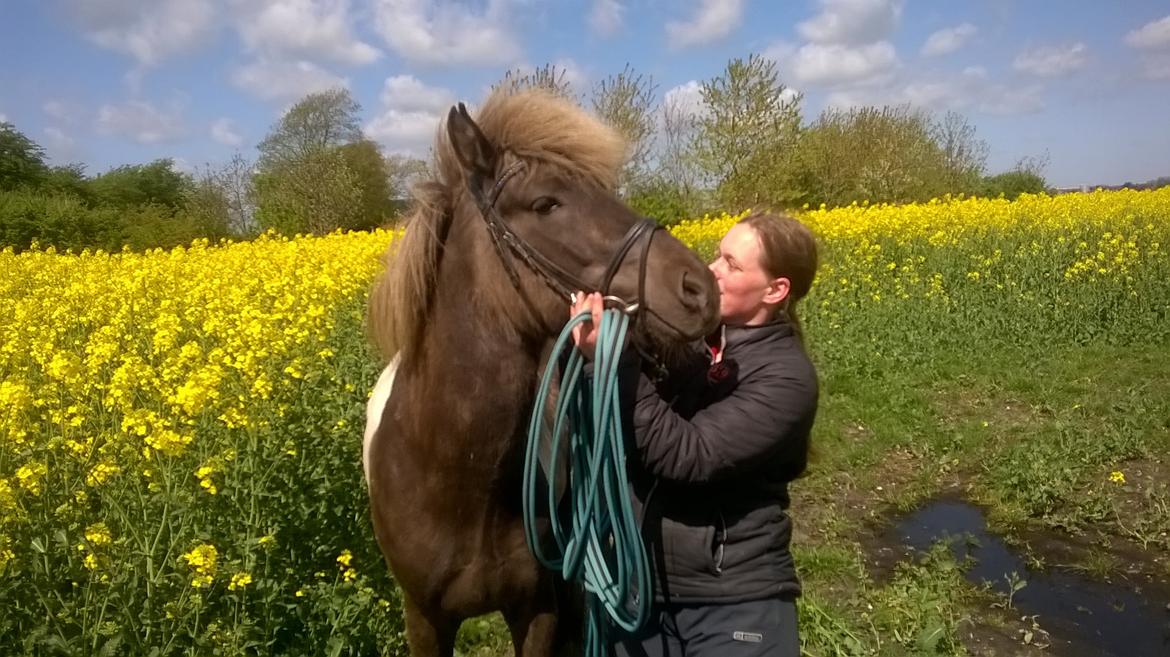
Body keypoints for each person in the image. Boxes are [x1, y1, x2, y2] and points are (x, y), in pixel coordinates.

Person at [571, 212, 820, 657]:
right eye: (716, 255)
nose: (711, 270)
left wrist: (620, 363)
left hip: (733, 603)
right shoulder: (688, 344)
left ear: (775, 290)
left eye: (731, 264)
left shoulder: (787, 377)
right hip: (640, 587)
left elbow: (689, 455)